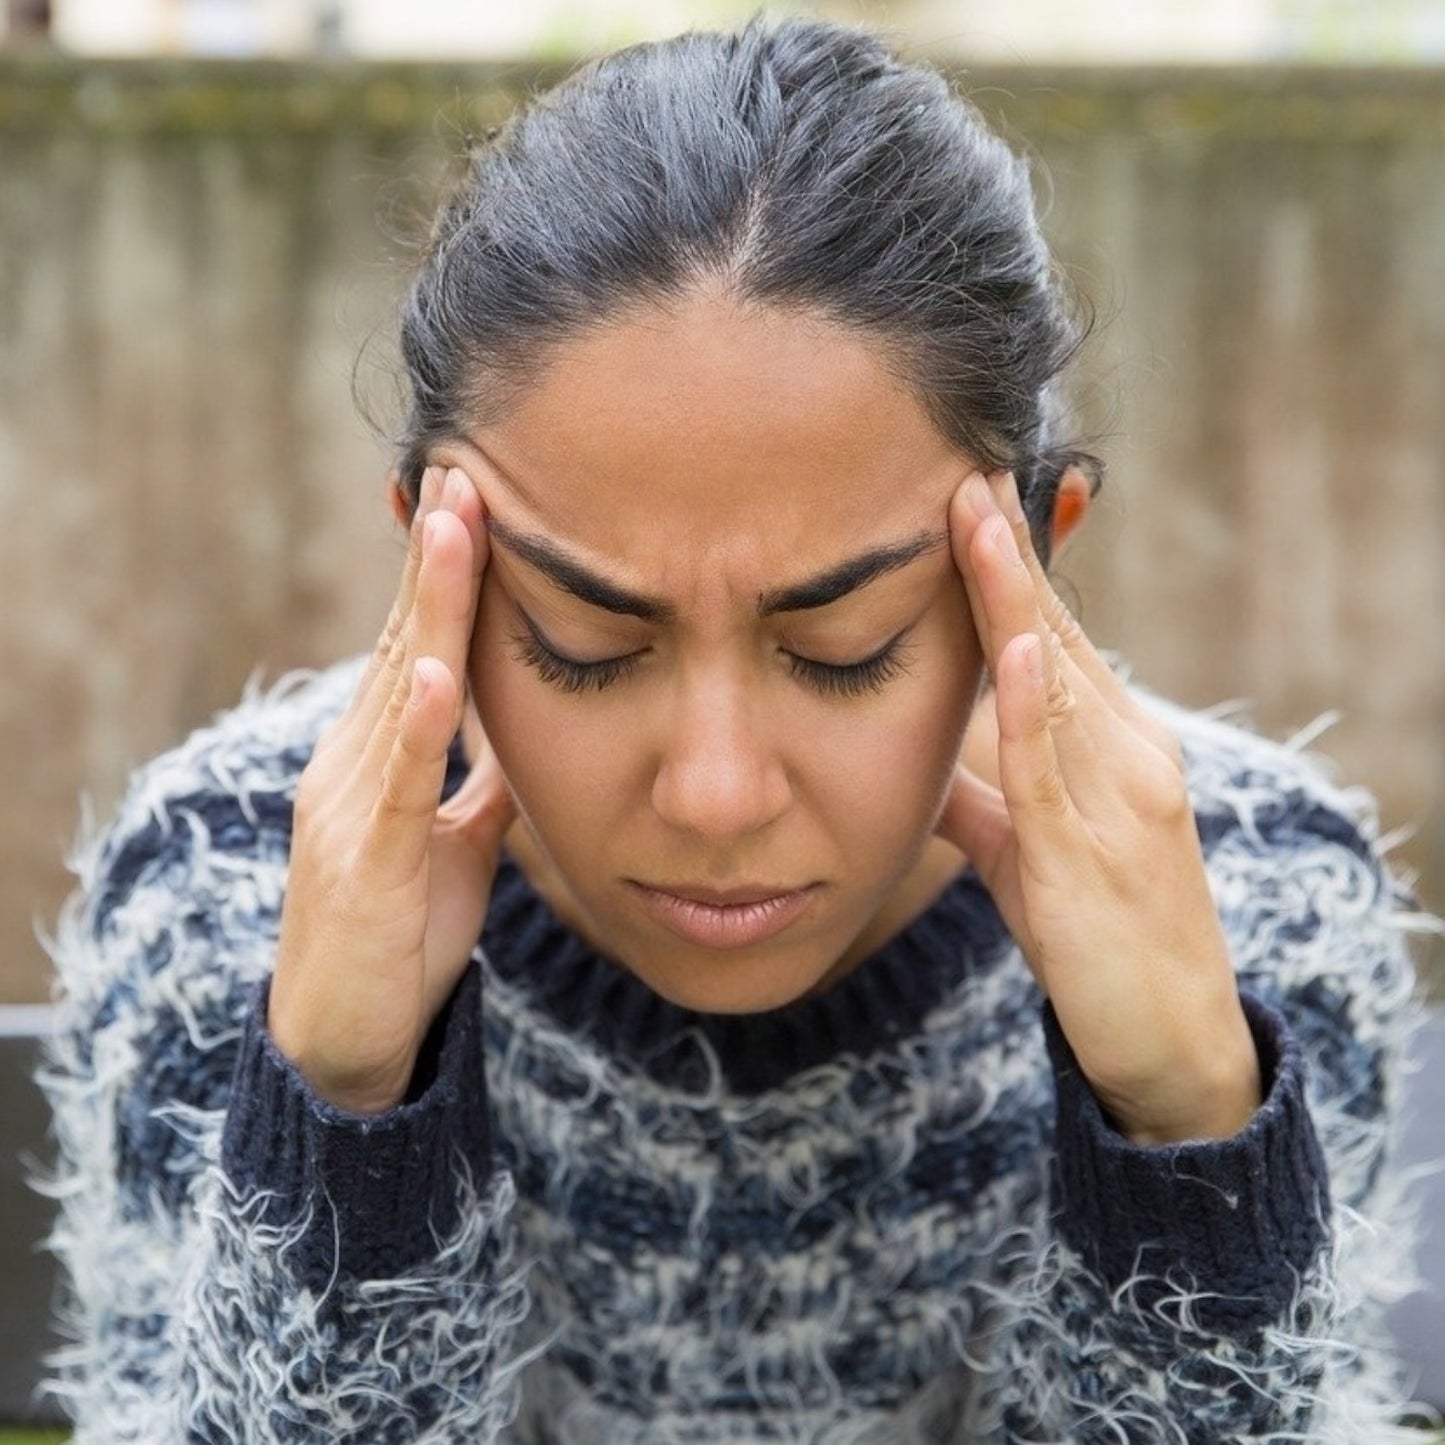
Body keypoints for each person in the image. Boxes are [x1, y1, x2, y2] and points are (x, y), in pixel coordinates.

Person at [36, 16, 1429, 1443]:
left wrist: (1186, 1121)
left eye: (843, 649)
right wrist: (337, 1104)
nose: (712, 792)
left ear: (1034, 553)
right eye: (585, 644)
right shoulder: (228, 889)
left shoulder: (1251, 896)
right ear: (433, 574)